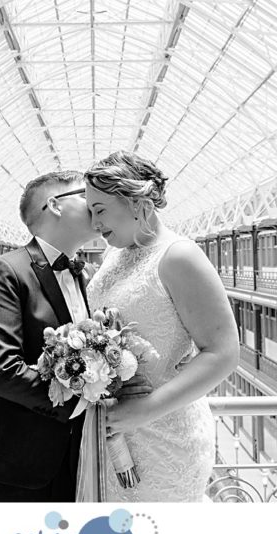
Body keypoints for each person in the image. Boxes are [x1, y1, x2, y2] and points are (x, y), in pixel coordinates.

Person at [79, 151, 239, 502]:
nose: (93, 224)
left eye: (99, 210)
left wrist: (143, 411)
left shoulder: (179, 256)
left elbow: (223, 352)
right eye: (90, 211)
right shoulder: (115, 255)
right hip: (115, 431)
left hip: (165, 436)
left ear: (137, 203)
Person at [0, 170, 100, 502]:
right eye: (85, 195)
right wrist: (83, 400)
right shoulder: (7, 270)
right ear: (55, 205)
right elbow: (2, 370)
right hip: (3, 464)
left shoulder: (87, 275)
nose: (95, 204)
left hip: (68, 462)